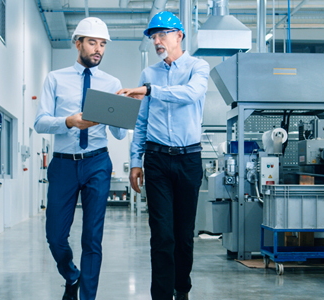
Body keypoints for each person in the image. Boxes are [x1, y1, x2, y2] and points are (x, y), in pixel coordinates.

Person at [117, 11, 210, 300]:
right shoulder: (149, 74)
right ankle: (160, 296)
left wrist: (150, 90)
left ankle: (181, 290)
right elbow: (142, 122)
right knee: (161, 235)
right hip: (156, 161)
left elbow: (191, 94)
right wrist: (135, 161)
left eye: (162, 35)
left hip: (189, 159)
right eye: (153, 36)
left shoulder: (198, 66)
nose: (157, 41)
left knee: (183, 235)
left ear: (179, 35)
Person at [34, 17, 127, 300]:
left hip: (97, 162)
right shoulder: (55, 78)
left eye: (102, 44)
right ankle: (71, 274)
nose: (98, 49)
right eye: (92, 43)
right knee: (56, 237)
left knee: (92, 238)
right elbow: (39, 123)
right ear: (78, 44)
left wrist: (121, 111)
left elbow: (120, 135)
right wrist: (69, 122)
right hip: (63, 163)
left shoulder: (112, 83)